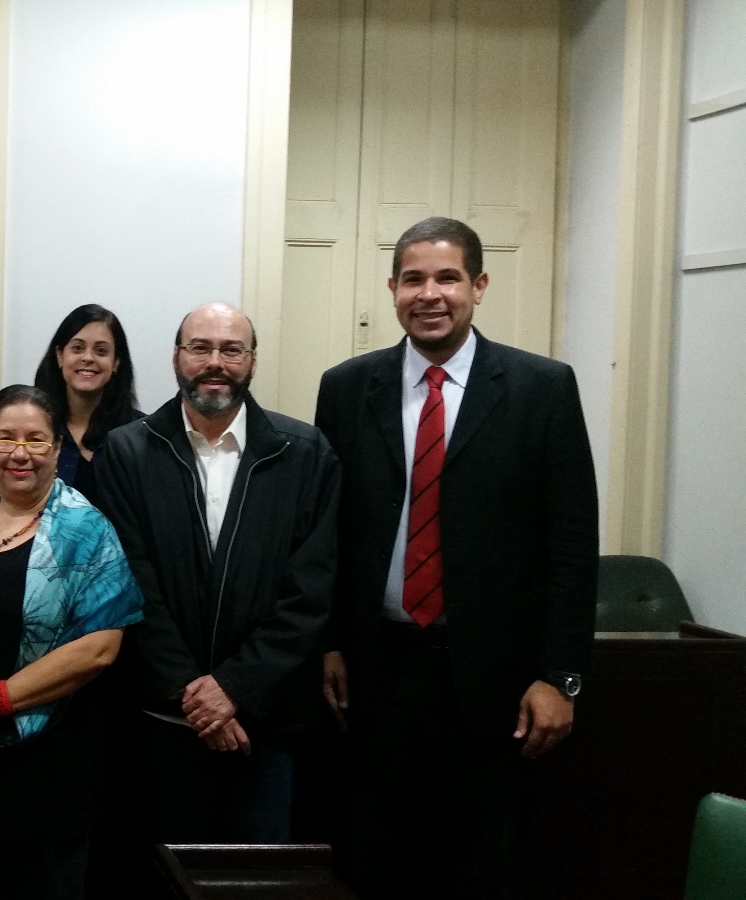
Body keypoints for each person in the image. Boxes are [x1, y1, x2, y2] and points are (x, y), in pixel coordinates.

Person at [314, 216, 597, 900]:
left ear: (479, 285)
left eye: (447, 277)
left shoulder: (542, 389)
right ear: (392, 289)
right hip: (375, 672)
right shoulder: (348, 388)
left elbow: (571, 544)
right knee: (374, 862)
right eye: (414, 278)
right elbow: (323, 529)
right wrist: (324, 643)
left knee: (475, 866)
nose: (430, 293)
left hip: (494, 684)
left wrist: (562, 678)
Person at [92, 303, 339, 844]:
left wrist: (234, 689)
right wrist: (194, 694)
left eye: (231, 350)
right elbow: (130, 583)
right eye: (200, 347)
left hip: (264, 724)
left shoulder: (305, 455)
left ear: (252, 361)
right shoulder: (126, 453)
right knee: (162, 878)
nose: (215, 362)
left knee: (255, 878)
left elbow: (310, 592)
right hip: (159, 723)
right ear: (177, 356)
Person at [0, 384, 142, 900]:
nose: (19, 453)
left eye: (36, 440)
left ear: (57, 447)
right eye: (5, 438)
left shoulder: (87, 531)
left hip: (48, 769)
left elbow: (101, 646)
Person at [32, 304, 144, 500]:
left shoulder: (140, 435)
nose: (88, 358)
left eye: (101, 351)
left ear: (116, 362)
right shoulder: (35, 431)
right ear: (60, 356)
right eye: (77, 348)